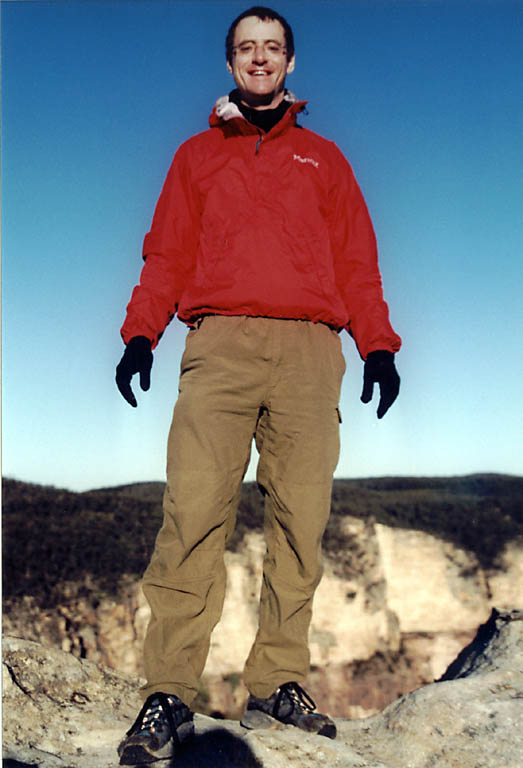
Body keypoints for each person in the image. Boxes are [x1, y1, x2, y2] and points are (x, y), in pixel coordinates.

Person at [115, 5, 401, 764]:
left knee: (300, 525)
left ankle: (277, 682)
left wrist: (377, 346)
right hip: (221, 346)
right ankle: (169, 692)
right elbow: (165, 256)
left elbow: (356, 265)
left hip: (311, 351)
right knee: (193, 515)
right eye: (247, 48)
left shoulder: (326, 161)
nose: (260, 58)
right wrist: (140, 332)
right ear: (231, 62)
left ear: (291, 62)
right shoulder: (195, 157)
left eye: (273, 47)